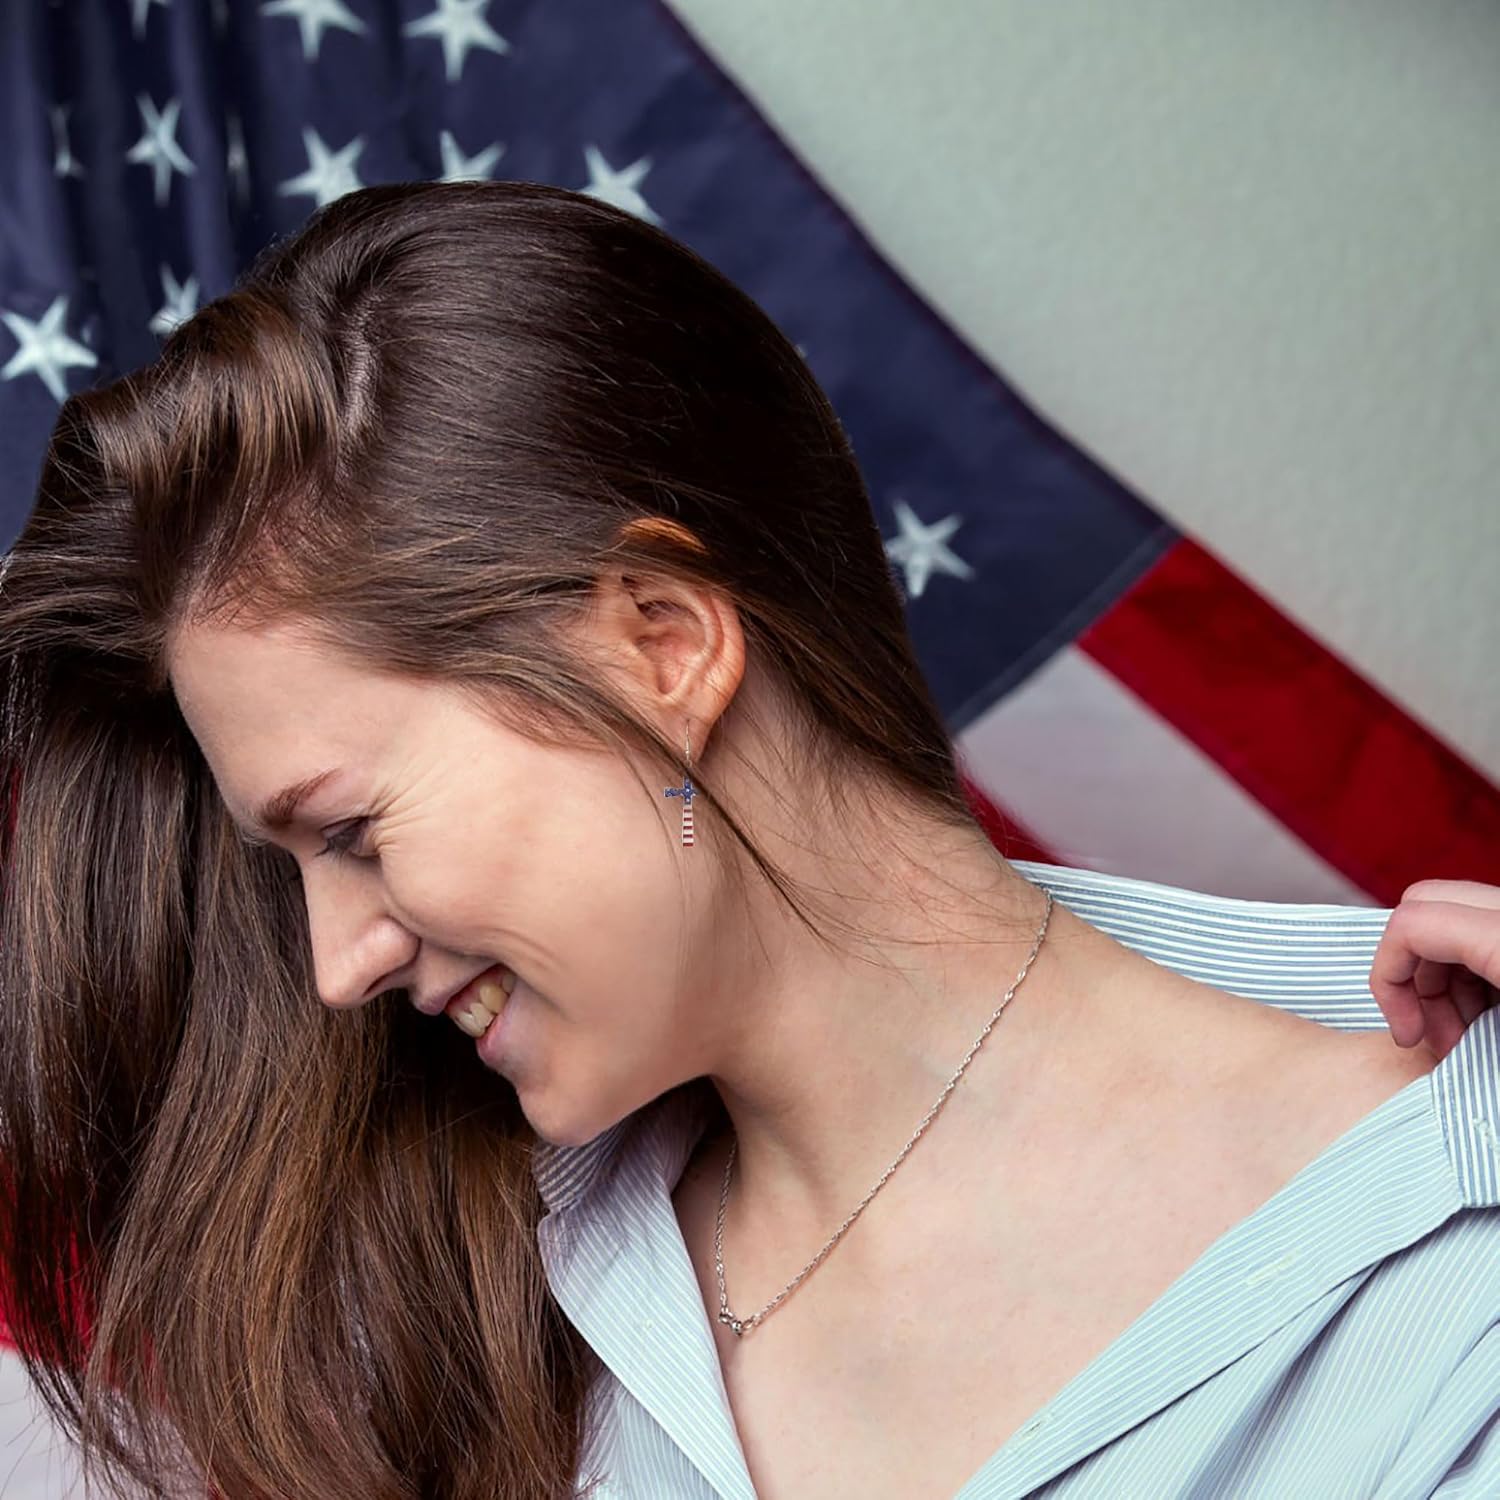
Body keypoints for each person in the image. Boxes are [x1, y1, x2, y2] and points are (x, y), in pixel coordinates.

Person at [0, 179, 1493, 1500]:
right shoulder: (445, 1323)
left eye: (354, 830)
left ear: (661, 643)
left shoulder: (1445, 1248)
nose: (336, 966)